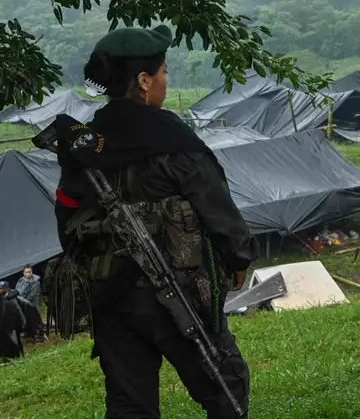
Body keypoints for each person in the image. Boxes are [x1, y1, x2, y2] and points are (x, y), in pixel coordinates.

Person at [53, 25, 254, 417]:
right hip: (175, 294)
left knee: (130, 405)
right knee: (225, 388)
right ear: (144, 81)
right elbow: (217, 206)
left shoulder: (86, 144)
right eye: (163, 73)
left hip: (110, 296)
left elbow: (66, 215)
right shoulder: (173, 141)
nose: (165, 81)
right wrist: (239, 258)